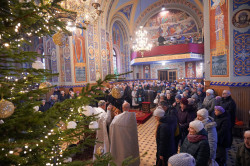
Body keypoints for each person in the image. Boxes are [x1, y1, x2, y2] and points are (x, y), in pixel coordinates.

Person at [109, 102, 140, 166]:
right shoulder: (132, 117)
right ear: (129, 108)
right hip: (130, 142)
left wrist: (116, 117)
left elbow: (112, 126)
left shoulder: (117, 118)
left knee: (121, 152)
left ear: (122, 108)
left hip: (120, 140)